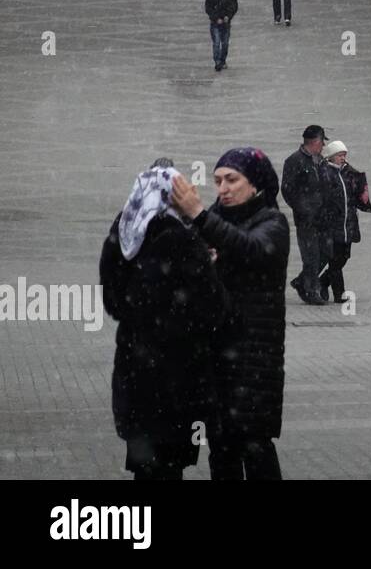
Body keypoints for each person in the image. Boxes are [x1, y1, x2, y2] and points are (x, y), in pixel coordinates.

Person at [100, 161, 228, 480]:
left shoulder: (123, 232)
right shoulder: (181, 239)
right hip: (175, 374)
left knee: (145, 462)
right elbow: (213, 308)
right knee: (169, 464)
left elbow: (113, 302)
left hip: (134, 366)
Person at [170, 148, 291, 480]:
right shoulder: (212, 218)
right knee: (221, 451)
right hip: (215, 359)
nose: (222, 188)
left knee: (255, 447)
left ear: (255, 184)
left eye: (232, 180)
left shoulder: (272, 222)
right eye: (218, 180)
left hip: (254, 362)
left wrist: (197, 214)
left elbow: (249, 248)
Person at [317, 140, 371, 303]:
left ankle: (322, 282)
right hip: (334, 224)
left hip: (349, 223)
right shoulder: (325, 173)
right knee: (335, 259)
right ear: (331, 157)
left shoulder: (348, 173)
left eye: (344, 155)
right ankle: (338, 293)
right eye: (339, 155)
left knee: (343, 258)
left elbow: (356, 195)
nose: (342, 158)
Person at [282, 126, 329, 305]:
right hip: (306, 218)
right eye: (322, 141)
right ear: (315, 141)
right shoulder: (294, 161)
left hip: (323, 216)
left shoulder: (320, 160)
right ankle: (311, 291)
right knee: (311, 255)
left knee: (327, 251)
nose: (324, 145)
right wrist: (303, 209)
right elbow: (287, 190)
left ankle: (302, 281)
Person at [204, 0, 238, 72]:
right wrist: (216, 18)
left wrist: (228, 16)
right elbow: (208, 8)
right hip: (215, 23)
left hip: (226, 23)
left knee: (225, 44)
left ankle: (222, 61)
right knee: (216, 43)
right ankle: (217, 62)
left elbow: (234, 6)